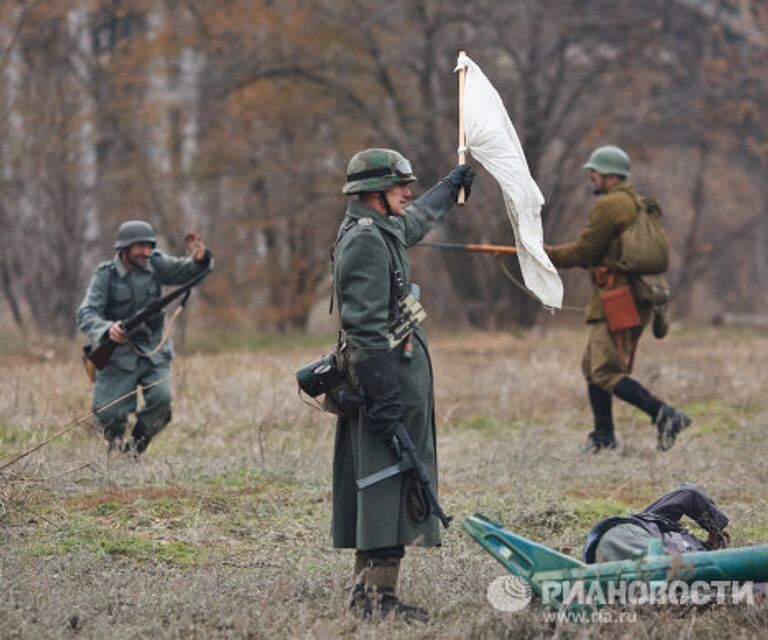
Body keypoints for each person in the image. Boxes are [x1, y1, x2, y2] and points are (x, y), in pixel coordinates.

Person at [332, 148, 474, 622]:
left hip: (392, 378)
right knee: (386, 487)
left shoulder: (382, 227)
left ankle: (368, 593)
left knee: (389, 484)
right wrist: (385, 397)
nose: (408, 194)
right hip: (382, 379)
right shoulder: (365, 241)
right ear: (374, 193)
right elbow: (365, 327)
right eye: (400, 187)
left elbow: (414, 222)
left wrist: (450, 188)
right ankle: (377, 600)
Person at [546, 145, 691, 453]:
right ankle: (604, 437)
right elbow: (607, 253)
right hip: (632, 297)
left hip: (617, 299)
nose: (591, 178)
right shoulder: (637, 203)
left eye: (594, 173)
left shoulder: (611, 206)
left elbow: (585, 250)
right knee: (592, 366)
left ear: (610, 176)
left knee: (605, 370)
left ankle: (665, 415)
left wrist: (548, 256)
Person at [76, 220, 212, 455]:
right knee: (109, 413)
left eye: (149, 246)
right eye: (139, 247)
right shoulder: (105, 276)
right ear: (124, 248)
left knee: (161, 399)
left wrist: (200, 259)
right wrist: (107, 329)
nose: (146, 252)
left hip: (153, 349)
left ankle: (136, 447)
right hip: (117, 353)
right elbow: (86, 313)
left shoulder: (156, 264)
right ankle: (115, 449)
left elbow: (189, 272)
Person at [584, 483, 730, 563]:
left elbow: (689, 493)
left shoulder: (651, 520)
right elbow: (689, 493)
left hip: (601, 557)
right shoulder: (653, 520)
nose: (688, 531)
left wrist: (714, 531)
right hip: (622, 543)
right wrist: (715, 530)